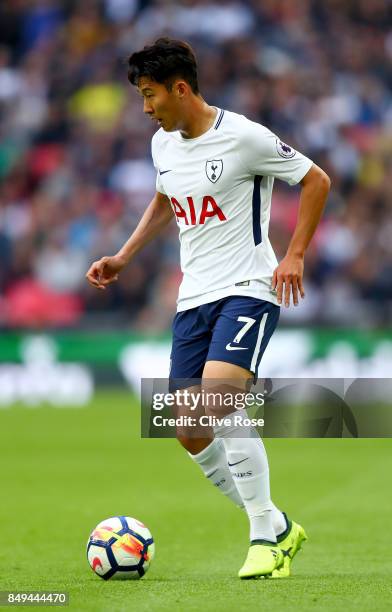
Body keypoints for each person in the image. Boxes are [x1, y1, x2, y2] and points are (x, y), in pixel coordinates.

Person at [86, 37, 330, 579]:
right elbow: (165, 197)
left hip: (248, 285)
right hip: (193, 298)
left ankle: (265, 539)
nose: (146, 108)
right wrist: (124, 255)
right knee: (190, 429)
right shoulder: (163, 145)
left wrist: (293, 254)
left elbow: (316, 179)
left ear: (180, 88)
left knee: (219, 400)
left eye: (150, 95)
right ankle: (279, 524)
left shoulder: (243, 137)